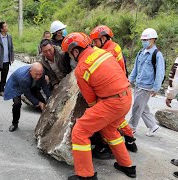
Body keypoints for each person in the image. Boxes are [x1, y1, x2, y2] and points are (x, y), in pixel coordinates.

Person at [61, 32, 136, 179]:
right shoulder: (103, 53)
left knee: (80, 131)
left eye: (70, 53)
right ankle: (127, 166)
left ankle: (85, 175)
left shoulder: (82, 68)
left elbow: (91, 101)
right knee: (110, 130)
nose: (70, 57)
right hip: (126, 96)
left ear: (75, 51)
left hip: (112, 102)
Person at [90, 25, 137, 153]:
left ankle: (107, 145)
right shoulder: (113, 46)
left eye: (95, 41)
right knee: (118, 118)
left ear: (104, 38)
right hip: (121, 86)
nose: (94, 44)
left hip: (113, 89)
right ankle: (129, 138)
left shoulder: (108, 51)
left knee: (108, 120)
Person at [128, 28, 165, 137]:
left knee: (137, 107)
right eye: (143, 40)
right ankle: (153, 126)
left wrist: (156, 88)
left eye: (146, 39)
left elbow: (160, 73)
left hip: (146, 87)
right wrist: (130, 80)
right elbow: (135, 68)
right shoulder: (141, 52)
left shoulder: (157, 55)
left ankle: (131, 128)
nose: (144, 41)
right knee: (142, 107)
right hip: (138, 84)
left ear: (153, 39)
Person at [3, 62, 51, 132]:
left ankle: (45, 123)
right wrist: (38, 103)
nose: (38, 76)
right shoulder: (23, 78)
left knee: (43, 101)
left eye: (40, 74)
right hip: (15, 86)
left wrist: (49, 97)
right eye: (36, 74)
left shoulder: (41, 72)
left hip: (31, 83)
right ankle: (14, 123)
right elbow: (27, 94)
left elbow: (44, 85)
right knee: (17, 104)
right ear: (30, 71)